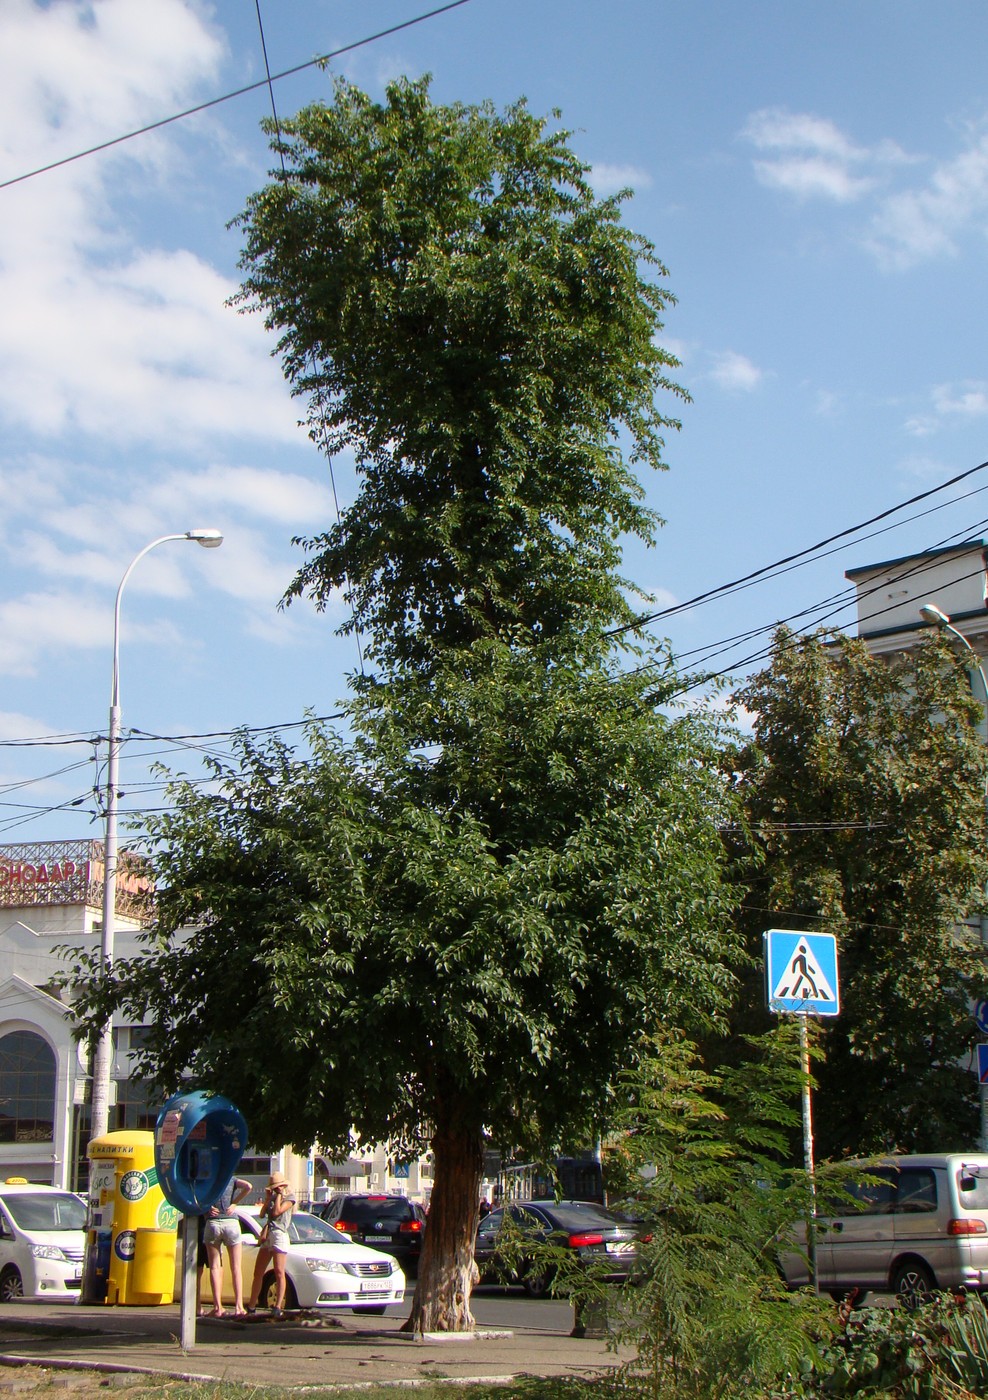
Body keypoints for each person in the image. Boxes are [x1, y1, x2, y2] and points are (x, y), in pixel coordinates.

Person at [202, 1174, 252, 1317]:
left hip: (213, 1222)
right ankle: (239, 1307)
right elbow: (249, 1186)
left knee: (214, 1266)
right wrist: (235, 1203)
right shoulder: (231, 1178)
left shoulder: (207, 1178)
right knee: (236, 1267)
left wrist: (208, 1207)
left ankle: (218, 1307)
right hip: (231, 1222)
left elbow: (197, 1195)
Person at [246, 1172, 295, 1316]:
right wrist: (268, 1199)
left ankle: (278, 1306)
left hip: (280, 1234)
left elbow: (277, 1212)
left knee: (279, 1271)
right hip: (269, 1235)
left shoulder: (290, 1198)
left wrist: (279, 1195)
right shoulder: (272, 1198)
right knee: (258, 1272)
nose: (275, 1190)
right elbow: (262, 1214)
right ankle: (252, 1305)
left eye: (277, 1187)